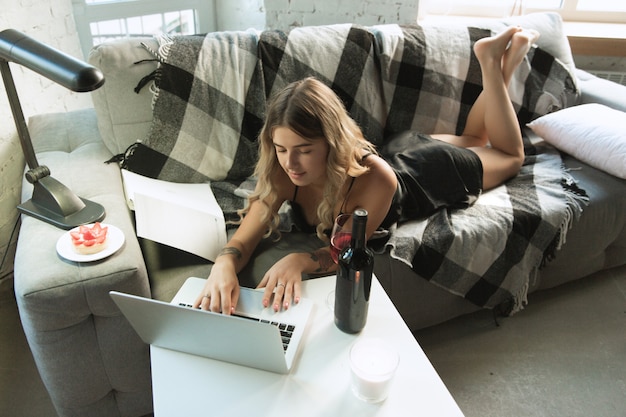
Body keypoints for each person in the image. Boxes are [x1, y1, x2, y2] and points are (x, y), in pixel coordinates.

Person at [193, 26, 537, 314]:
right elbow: (245, 236)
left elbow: (345, 249)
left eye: (304, 150)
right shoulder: (283, 171)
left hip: (432, 170)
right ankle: (501, 63)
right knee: (474, 136)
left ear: (332, 143)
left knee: (509, 155)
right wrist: (223, 265)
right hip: (403, 147)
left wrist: (301, 260)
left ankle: (492, 64)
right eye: (281, 149)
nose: (290, 163)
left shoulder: (375, 179)